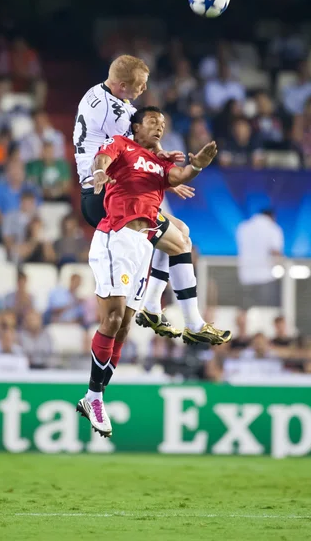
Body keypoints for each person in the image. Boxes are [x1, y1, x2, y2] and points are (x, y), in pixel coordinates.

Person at [76, 107, 230, 437]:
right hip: (115, 237)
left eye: (163, 124)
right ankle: (94, 396)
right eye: (152, 122)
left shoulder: (160, 164)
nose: (159, 127)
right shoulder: (121, 144)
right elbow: (102, 159)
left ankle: (95, 396)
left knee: (124, 328)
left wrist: (198, 165)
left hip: (143, 246)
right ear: (136, 126)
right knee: (113, 319)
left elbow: (179, 176)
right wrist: (101, 172)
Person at [73, 55, 217, 341]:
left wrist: (160, 168)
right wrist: (160, 169)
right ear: (123, 85)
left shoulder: (104, 95)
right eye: (140, 85)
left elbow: (143, 145)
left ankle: (152, 306)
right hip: (105, 195)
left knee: (181, 232)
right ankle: (191, 322)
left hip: (111, 192)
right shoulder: (110, 112)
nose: (143, 90)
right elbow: (126, 149)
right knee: (179, 244)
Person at [236, 209, 284, 309]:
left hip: (245, 276)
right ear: (272, 217)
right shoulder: (272, 228)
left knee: (246, 309)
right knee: (265, 310)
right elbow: (275, 251)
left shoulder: (243, 227)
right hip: (265, 277)